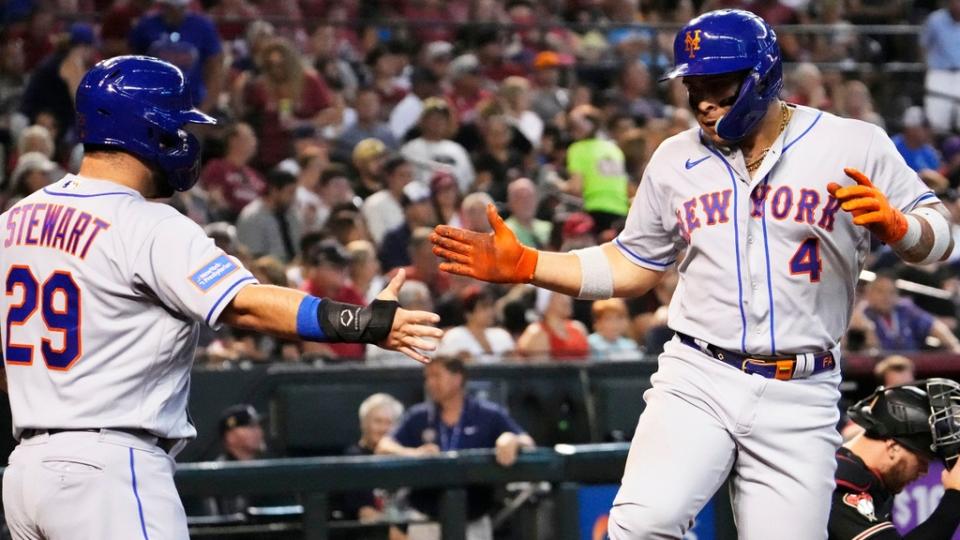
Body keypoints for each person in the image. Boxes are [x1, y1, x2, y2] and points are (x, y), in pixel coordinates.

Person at [430, 10, 955, 539]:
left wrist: (900, 228)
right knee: (642, 526)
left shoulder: (852, 144)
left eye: (719, 85)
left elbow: (940, 232)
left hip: (802, 387)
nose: (703, 99)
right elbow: (632, 263)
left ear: (763, 76)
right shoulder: (674, 159)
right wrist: (530, 265)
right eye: (693, 85)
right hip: (700, 372)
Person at [0, 56, 442, 539]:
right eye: (177, 127)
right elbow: (244, 303)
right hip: (108, 470)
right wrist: (361, 323)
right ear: (148, 129)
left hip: (25, 472)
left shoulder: (16, 219)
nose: (187, 140)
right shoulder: (148, 224)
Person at [377, 355, 535, 540]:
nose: (430, 383)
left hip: (473, 519)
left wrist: (511, 439)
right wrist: (412, 453)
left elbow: (527, 441)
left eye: (436, 376)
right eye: (427, 377)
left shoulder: (486, 413)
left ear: (457, 378)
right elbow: (383, 446)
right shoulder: (419, 415)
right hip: (426, 519)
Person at [828, 379, 960, 539]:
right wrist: (955, 496)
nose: (925, 471)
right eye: (922, 460)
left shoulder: (868, 481)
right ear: (893, 447)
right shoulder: (837, 483)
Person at [860, 272, 960, 353]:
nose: (886, 297)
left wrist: (954, 346)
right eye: (880, 291)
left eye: (891, 292)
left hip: (913, 365)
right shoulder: (862, 313)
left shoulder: (905, 309)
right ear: (868, 293)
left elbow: (933, 325)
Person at [202, 404, 268, 516]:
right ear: (230, 436)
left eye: (258, 426)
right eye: (250, 427)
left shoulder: (264, 470)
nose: (259, 431)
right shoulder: (218, 474)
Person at [436, 286, 515, 363]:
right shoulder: (454, 336)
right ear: (468, 313)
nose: (490, 312)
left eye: (491, 307)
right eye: (484, 307)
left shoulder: (502, 335)